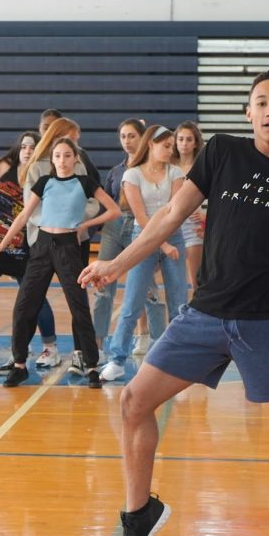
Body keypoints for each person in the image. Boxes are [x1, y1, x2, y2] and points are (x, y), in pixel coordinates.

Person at [78, 71, 269, 536]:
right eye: (261, 102)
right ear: (248, 113)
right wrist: (115, 264)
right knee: (133, 400)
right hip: (205, 314)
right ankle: (139, 514)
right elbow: (170, 216)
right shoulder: (223, 154)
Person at [0, 137, 120, 389]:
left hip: (70, 247)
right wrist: (3, 244)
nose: (62, 160)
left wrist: (86, 225)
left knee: (78, 307)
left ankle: (91, 366)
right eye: (57, 155)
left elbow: (114, 210)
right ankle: (19, 365)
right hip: (42, 247)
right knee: (25, 305)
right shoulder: (44, 182)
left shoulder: (84, 182)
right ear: (52, 159)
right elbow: (25, 215)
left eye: (67, 155)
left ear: (75, 158)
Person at [0, 131, 61, 374]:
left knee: (34, 298)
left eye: (32, 147)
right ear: (18, 148)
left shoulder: (40, 173)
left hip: (26, 247)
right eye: (24, 145)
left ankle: (50, 348)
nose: (27, 150)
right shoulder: (4, 165)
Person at [99, 125, 188, 382]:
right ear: (150, 144)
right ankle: (117, 360)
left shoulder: (176, 173)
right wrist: (162, 245)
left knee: (178, 304)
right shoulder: (132, 175)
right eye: (167, 146)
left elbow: (175, 212)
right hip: (144, 238)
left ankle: (176, 360)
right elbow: (140, 216)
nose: (171, 151)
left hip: (174, 236)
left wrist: (168, 242)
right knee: (132, 302)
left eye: (172, 146)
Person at [21, 117, 100, 376]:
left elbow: (91, 200)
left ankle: (83, 355)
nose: (76, 144)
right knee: (29, 300)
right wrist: (53, 222)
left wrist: (77, 219)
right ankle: (27, 356)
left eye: (74, 143)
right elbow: (30, 210)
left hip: (75, 239)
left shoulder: (80, 161)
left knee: (78, 301)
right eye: (73, 137)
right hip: (43, 241)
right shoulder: (37, 169)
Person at [92, 118, 166, 354]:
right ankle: (97, 341)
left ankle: (154, 339)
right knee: (102, 284)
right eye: (123, 136)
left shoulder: (154, 169)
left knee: (146, 286)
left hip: (142, 227)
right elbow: (108, 204)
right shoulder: (116, 171)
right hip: (115, 227)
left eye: (131, 135)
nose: (126, 141)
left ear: (143, 138)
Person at [173, 120, 207, 288]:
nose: (184, 144)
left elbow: (217, 195)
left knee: (196, 281)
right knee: (174, 281)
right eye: (180, 139)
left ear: (195, 143)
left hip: (193, 225)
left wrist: (205, 216)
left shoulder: (202, 166)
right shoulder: (169, 166)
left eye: (188, 139)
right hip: (172, 224)